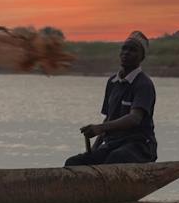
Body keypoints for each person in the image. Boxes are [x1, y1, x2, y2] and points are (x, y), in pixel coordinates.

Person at [67, 31, 158, 166]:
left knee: (115, 159)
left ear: (141, 57)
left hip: (139, 146)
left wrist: (100, 127)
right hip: (113, 144)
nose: (126, 52)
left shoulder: (143, 84)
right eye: (124, 48)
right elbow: (109, 119)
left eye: (132, 50)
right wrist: (93, 150)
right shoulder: (112, 82)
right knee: (74, 162)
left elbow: (135, 118)